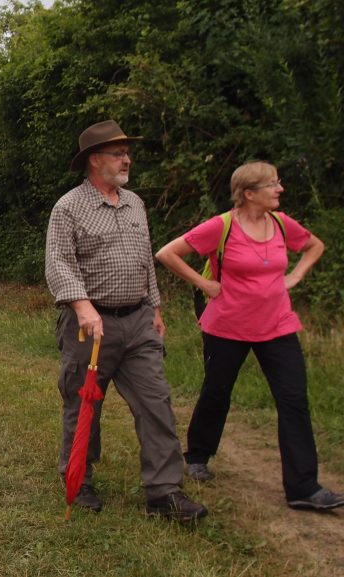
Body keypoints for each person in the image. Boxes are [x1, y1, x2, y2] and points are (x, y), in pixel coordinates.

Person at [155, 161, 341, 510]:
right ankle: (197, 455)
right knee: (217, 390)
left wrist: (296, 276)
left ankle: (303, 487)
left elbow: (314, 246)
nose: (280, 189)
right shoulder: (221, 226)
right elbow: (167, 253)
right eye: (273, 184)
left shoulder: (282, 224)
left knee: (294, 399)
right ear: (249, 193)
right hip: (228, 326)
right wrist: (204, 283)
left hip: (278, 326)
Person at [45, 119, 207, 521]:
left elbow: (145, 259)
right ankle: (79, 479)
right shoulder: (69, 207)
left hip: (137, 322)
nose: (126, 159)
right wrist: (82, 306)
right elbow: (59, 263)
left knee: (156, 401)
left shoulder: (135, 203)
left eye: (126, 152)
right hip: (89, 325)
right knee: (84, 403)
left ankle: (164, 492)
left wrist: (154, 306)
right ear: (94, 160)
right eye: (118, 153)